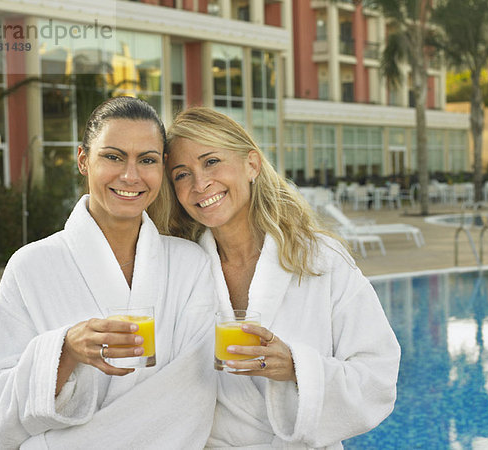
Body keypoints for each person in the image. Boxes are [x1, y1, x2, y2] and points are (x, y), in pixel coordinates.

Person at [0, 97, 217, 449]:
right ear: (84, 160)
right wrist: (65, 352)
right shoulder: (32, 267)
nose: (130, 176)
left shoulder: (190, 266)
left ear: (161, 166)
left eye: (146, 160)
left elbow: (194, 397)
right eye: (113, 156)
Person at [161, 106, 401, 448]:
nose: (200, 184)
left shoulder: (320, 259)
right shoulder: (181, 270)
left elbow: (378, 377)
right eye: (182, 174)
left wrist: (296, 367)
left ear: (251, 165)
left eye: (211, 161)